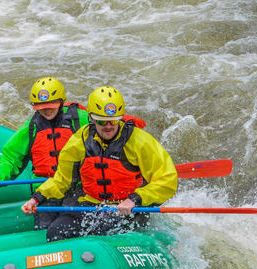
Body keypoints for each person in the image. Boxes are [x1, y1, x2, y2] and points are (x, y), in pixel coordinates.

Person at [20, 86, 178, 242]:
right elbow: (63, 180)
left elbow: (167, 180)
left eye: (113, 120)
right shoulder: (78, 141)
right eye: (102, 122)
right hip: (90, 204)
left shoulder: (140, 141)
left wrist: (135, 199)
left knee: (101, 231)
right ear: (92, 119)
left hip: (129, 208)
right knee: (55, 232)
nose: (108, 126)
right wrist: (36, 198)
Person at [0, 77, 89, 229]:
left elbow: (106, 131)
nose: (47, 110)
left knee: (72, 223)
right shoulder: (30, 129)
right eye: (42, 106)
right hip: (43, 191)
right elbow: (11, 159)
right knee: (45, 227)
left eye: (52, 105)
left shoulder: (79, 120)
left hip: (77, 187)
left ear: (61, 102)